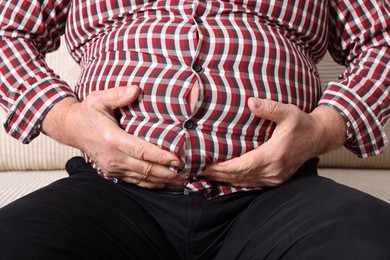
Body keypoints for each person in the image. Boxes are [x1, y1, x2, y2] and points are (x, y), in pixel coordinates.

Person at [0, 0, 390, 259]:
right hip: (109, 193)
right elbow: (7, 31)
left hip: (279, 197)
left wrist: (324, 127)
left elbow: (381, 39)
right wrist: (66, 118)